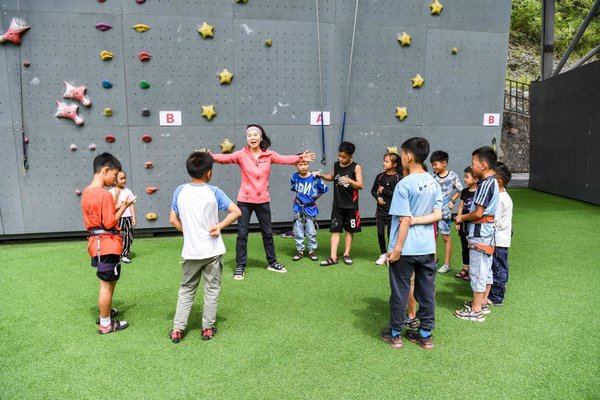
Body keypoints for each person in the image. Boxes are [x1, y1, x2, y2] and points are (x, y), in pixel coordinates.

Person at [212, 124, 316, 280]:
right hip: (245, 201)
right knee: (242, 234)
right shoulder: (241, 154)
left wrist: (300, 158)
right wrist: (210, 156)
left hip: (263, 200)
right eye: (249, 135)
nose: (252, 137)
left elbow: (284, 159)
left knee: (267, 233)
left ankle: (272, 262)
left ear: (261, 137)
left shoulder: (269, 155)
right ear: (246, 138)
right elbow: (224, 158)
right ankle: (240, 266)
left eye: (255, 135)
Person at [169, 151, 241, 343]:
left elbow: (172, 219)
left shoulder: (180, 191)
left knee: (186, 290)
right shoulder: (214, 192)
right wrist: (219, 226)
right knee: (212, 290)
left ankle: (178, 329)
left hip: (191, 252)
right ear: (209, 172)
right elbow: (236, 212)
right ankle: (207, 328)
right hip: (213, 251)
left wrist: (188, 231)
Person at [380, 137, 442, 350]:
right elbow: (438, 215)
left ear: (408, 156)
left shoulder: (403, 184)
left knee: (400, 290)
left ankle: (395, 334)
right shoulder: (434, 182)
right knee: (426, 292)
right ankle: (425, 336)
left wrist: (396, 250)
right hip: (427, 248)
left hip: (405, 249)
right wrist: (418, 219)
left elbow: (404, 219)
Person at [81, 152, 136, 334]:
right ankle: (105, 323)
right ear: (105, 170)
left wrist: (123, 206)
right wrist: (124, 208)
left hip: (95, 244)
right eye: (114, 175)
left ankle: (105, 312)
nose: (114, 180)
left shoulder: (87, 193)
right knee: (108, 284)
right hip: (108, 244)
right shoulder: (104, 195)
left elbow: (102, 217)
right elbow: (110, 222)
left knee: (105, 282)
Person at [454, 146, 498, 322]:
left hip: (481, 233)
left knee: (478, 271)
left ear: (484, 164)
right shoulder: (490, 182)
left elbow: (478, 213)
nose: (471, 167)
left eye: (473, 163)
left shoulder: (486, 184)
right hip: (486, 233)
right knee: (484, 269)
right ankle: (481, 303)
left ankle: (476, 309)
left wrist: (461, 218)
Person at [316, 141, 364, 266]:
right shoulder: (336, 165)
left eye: (344, 157)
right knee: (335, 230)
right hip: (337, 205)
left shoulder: (356, 167)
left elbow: (360, 185)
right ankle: (333, 257)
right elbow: (332, 177)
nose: (341, 159)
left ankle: (346, 254)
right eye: (340, 156)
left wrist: (349, 180)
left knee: (349, 231)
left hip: (351, 206)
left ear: (350, 156)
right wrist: (320, 175)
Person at [430, 150, 463, 274]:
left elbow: (460, 189)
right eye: (432, 165)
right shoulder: (431, 175)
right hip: (432, 211)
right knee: (433, 236)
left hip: (445, 212)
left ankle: (447, 264)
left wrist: (452, 201)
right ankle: (433, 260)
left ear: (444, 163)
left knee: (445, 237)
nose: (434, 167)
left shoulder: (452, 176)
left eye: (436, 164)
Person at [290, 159, 329, 262]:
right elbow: (295, 189)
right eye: (300, 164)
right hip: (298, 208)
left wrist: (314, 199)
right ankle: (300, 250)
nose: (303, 166)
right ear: (296, 166)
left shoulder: (314, 177)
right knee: (298, 230)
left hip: (310, 208)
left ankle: (312, 250)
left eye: (305, 164)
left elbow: (324, 189)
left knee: (311, 231)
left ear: (308, 164)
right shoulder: (294, 177)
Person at [487, 162, 513, 306]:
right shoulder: (503, 197)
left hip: (498, 239)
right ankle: (499, 289)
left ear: (498, 181)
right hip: (501, 238)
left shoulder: (500, 199)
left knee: (498, 267)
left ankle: (496, 296)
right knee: (500, 266)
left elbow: (494, 220)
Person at [370, 152, 403, 265]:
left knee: (391, 234)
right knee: (380, 233)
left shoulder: (399, 178)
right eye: (384, 161)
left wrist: (384, 191)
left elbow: (398, 195)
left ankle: (390, 255)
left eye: (387, 161)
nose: (384, 163)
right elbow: (373, 190)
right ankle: (383, 254)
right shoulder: (380, 176)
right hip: (380, 211)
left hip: (393, 211)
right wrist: (378, 197)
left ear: (394, 164)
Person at [454, 167, 478, 280]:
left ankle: (472, 271)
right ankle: (465, 268)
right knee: (465, 247)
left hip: (473, 225)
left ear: (476, 179)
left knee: (472, 247)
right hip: (464, 224)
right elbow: (461, 207)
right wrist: (458, 221)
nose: (465, 179)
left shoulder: (479, 192)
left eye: (467, 177)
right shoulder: (464, 191)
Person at [109, 171, 137, 263]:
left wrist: (133, 217)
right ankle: (116, 254)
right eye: (121, 178)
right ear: (114, 181)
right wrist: (116, 194)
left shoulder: (128, 191)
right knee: (118, 236)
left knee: (128, 236)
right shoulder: (111, 192)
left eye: (124, 178)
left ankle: (125, 254)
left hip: (127, 217)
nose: (124, 180)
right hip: (118, 217)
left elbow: (132, 204)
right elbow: (112, 206)